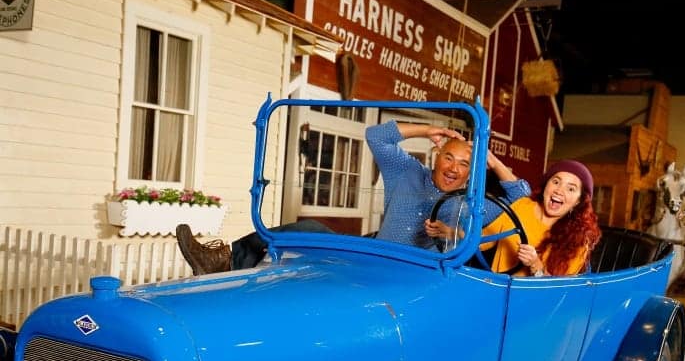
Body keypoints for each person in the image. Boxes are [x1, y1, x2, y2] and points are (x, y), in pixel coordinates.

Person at [177, 119, 530, 275]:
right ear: (437, 155)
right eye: (449, 157)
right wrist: (425, 129)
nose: (454, 168)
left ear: (472, 172)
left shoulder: (472, 205)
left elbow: (519, 193)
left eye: (465, 164)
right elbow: (376, 136)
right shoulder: (409, 172)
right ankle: (223, 261)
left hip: (414, 274)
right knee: (307, 227)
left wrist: (491, 159)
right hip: (375, 251)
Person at [480, 159, 601, 276]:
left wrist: (535, 264)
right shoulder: (523, 205)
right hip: (497, 288)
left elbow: (557, 290)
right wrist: (461, 233)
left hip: (532, 295)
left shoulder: (578, 241)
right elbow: (484, 240)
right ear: (546, 186)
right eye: (556, 182)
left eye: (570, 189)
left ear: (578, 201)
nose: (559, 191)